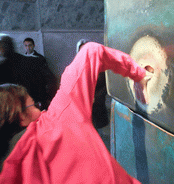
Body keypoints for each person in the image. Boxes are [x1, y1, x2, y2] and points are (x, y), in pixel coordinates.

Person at [0, 42, 151, 183]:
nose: (41, 110)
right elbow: (91, 52)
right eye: (33, 105)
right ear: (20, 116)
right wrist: (138, 74)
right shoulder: (57, 120)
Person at [77, 39, 109, 129]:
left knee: (98, 133)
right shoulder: (76, 67)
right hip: (82, 107)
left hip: (98, 106)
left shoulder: (100, 66)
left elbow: (106, 85)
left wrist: (96, 97)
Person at [23, 37, 57, 109]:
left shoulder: (40, 58)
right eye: (26, 45)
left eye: (30, 45)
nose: (28, 48)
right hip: (28, 89)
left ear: (33, 46)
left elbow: (45, 76)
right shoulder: (22, 59)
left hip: (38, 89)